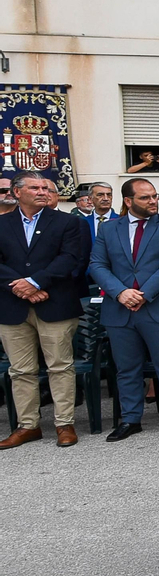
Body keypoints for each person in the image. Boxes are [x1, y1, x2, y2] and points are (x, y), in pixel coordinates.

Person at [89, 178, 159, 440]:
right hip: (120, 309)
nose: (153, 201)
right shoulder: (109, 230)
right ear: (128, 201)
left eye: (155, 196)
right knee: (126, 368)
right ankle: (131, 419)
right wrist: (121, 292)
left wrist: (144, 294)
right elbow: (97, 265)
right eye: (145, 198)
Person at [0, 171, 84, 449]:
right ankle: (28, 426)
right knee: (20, 370)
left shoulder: (67, 222)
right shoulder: (2, 223)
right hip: (13, 307)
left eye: (45, 188)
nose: (42, 192)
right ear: (17, 192)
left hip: (55, 304)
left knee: (60, 366)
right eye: (34, 187)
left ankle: (64, 424)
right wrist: (20, 286)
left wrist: (36, 282)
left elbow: (70, 258)